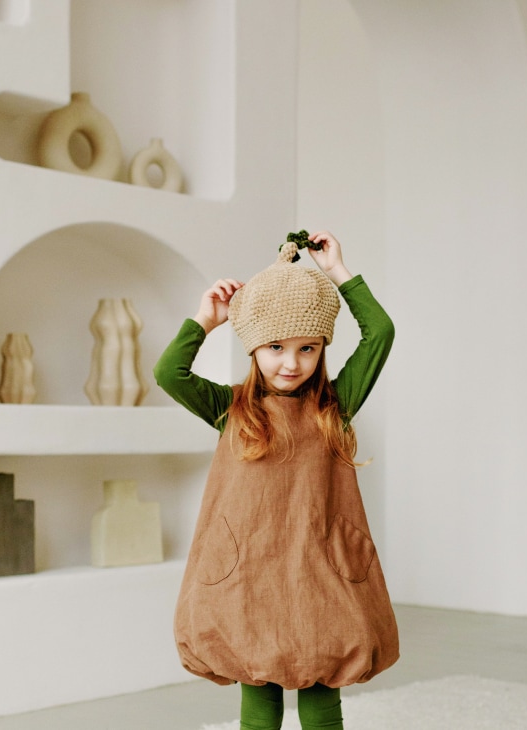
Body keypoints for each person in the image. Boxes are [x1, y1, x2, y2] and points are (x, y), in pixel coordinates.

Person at [153, 230, 399, 730]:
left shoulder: (334, 406)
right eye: (275, 347)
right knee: (257, 689)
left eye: (308, 348)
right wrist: (205, 320)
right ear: (253, 348)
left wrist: (338, 272)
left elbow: (380, 332)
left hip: (319, 573)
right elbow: (168, 373)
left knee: (322, 687)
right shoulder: (231, 409)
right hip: (252, 576)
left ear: (322, 349)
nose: (292, 362)